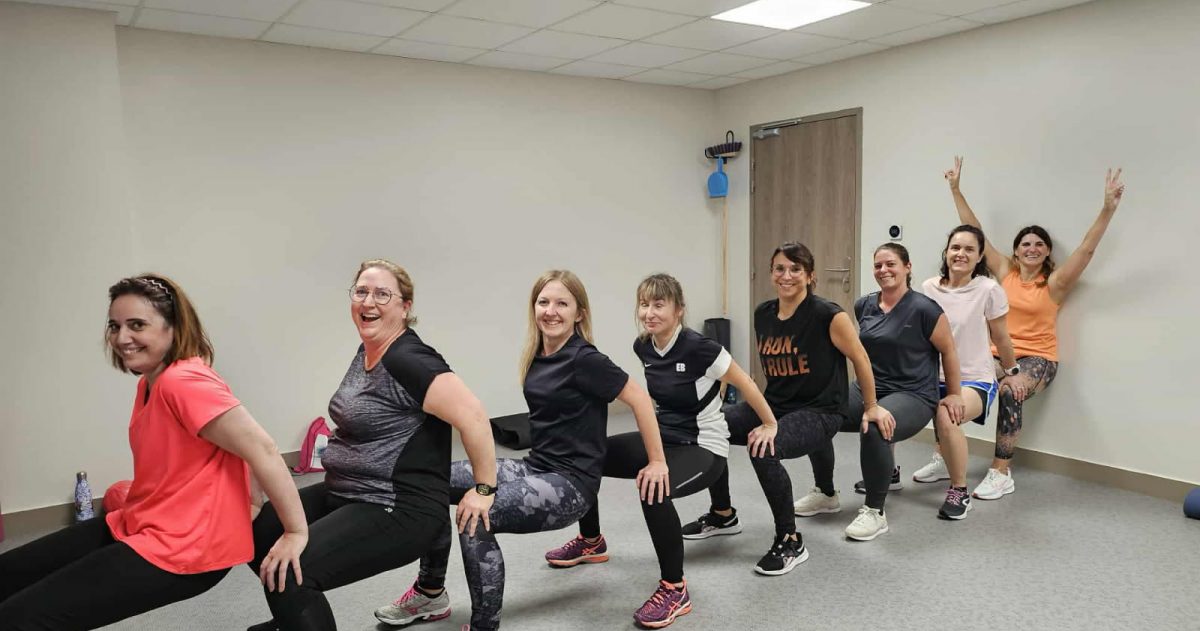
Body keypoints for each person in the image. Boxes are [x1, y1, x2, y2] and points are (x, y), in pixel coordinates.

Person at [0, 275, 307, 630]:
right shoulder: (151, 382)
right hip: (143, 522)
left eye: (137, 325)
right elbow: (241, 448)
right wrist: (249, 499)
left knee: (20, 618)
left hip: (183, 549)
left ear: (173, 328)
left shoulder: (183, 382)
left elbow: (263, 449)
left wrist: (294, 531)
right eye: (114, 326)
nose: (121, 338)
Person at [375, 270, 669, 631]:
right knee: (431, 481)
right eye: (543, 302)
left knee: (475, 516)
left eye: (562, 304)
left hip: (570, 484)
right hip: (535, 467)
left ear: (579, 313)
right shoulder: (538, 353)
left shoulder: (585, 359)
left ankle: (484, 626)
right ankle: (430, 593)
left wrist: (657, 460)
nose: (550, 311)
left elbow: (639, 398)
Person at [248, 259, 497, 631]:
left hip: (397, 506)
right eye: (362, 292)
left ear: (405, 307)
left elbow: (473, 416)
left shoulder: (409, 360)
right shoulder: (369, 349)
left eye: (383, 294)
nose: (369, 302)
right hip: (348, 490)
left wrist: (484, 489)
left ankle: (296, 608)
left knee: (293, 571)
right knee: (259, 534)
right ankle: (295, 618)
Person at [541, 273, 777, 628]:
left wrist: (769, 423)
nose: (649, 313)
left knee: (654, 487)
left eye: (658, 305)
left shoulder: (701, 348)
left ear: (678, 309)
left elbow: (747, 383)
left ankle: (674, 588)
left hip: (703, 446)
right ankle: (591, 541)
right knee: (590, 456)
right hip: (664, 437)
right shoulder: (644, 347)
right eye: (644, 304)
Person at [681, 242, 892, 575]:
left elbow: (861, 358)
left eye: (796, 269)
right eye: (780, 268)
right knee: (712, 427)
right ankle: (723, 515)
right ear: (771, 273)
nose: (787, 275)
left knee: (763, 447)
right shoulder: (763, 314)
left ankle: (790, 539)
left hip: (821, 411)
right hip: (775, 406)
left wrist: (872, 406)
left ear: (810, 276)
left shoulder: (827, 315)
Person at [942, 157, 1126, 499]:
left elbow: (1086, 250)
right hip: (995, 355)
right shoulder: (1005, 272)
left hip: (1037, 359)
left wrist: (1107, 209)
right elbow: (973, 230)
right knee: (949, 378)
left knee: (1010, 390)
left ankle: (1001, 472)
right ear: (1015, 251)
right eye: (1025, 243)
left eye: (1039, 244)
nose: (1032, 248)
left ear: (1047, 253)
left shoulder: (1054, 283)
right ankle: (946, 454)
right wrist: (956, 190)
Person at [798, 244, 965, 539]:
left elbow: (949, 351)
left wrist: (953, 394)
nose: (883, 270)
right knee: (817, 411)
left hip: (914, 394)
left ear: (907, 267)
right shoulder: (864, 305)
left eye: (891, 264)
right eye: (878, 265)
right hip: (869, 389)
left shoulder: (925, 309)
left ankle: (875, 511)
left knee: (875, 426)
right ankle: (825, 493)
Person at [913, 226, 1020, 519]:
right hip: (932, 376)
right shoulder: (929, 288)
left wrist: (1011, 370)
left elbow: (1001, 337)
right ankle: (890, 473)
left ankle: (959, 491)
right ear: (946, 252)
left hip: (975, 379)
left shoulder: (988, 289)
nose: (961, 254)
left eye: (969, 249)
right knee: (889, 401)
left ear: (980, 256)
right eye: (956, 247)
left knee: (947, 414)